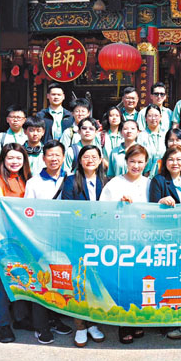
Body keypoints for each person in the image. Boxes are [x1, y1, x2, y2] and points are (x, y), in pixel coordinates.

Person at [100, 143, 151, 345]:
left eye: (140, 162)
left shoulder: (149, 183)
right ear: (126, 162)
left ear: (146, 163)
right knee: (124, 281)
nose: (136, 166)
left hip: (144, 240)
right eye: (132, 161)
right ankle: (124, 323)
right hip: (122, 240)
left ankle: (137, 319)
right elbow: (103, 210)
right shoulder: (114, 184)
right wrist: (119, 205)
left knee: (141, 281)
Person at [23, 140, 73, 344]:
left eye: (57, 155)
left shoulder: (70, 179)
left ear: (63, 157)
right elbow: (26, 213)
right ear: (43, 158)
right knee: (42, 280)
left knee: (60, 281)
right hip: (41, 240)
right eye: (50, 155)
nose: (54, 159)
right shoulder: (34, 182)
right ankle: (41, 326)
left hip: (64, 239)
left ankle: (54, 319)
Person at [59, 144, 107, 347]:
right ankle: (79, 325)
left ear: (100, 160)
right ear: (80, 160)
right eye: (86, 157)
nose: (90, 160)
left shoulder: (106, 181)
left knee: (95, 282)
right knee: (78, 282)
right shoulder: (71, 181)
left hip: (101, 238)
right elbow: (68, 210)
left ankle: (93, 323)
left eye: (94, 157)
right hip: (78, 237)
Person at [0, 143, 31, 344]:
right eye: (10, 158)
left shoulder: (26, 180)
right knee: (2, 283)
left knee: (21, 279)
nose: (15, 162)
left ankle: (19, 318)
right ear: (3, 160)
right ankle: (3, 325)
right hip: (2, 239)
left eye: (19, 159)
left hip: (22, 240)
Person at [148, 146, 181, 341]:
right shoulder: (159, 181)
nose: (175, 163)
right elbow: (152, 207)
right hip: (167, 236)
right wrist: (161, 201)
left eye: (179, 159)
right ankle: (168, 323)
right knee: (168, 279)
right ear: (164, 162)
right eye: (171, 159)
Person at [0, 105, 27, 171]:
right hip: (5, 175)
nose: (15, 120)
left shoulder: (29, 136)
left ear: (24, 120)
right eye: (12, 117)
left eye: (19, 117)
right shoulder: (0, 138)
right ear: (7, 119)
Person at [137, 105, 166, 176]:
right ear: (146, 118)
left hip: (163, 176)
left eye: (156, 115)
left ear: (160, 117)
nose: (153, 118)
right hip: (146, 175)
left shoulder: (165, 135)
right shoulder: (141, 136)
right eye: (150, 116)